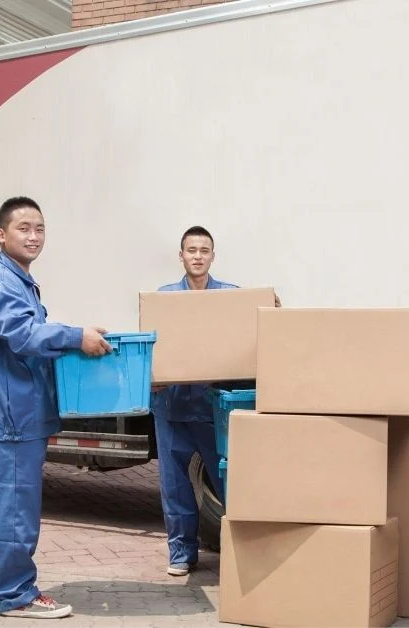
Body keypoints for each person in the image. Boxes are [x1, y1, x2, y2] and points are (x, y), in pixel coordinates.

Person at [0, 196, 111, 619]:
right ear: (1, 234)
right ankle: (16, 594)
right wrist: (75, 337)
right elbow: (23, 335)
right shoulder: (0, 284)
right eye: (23, 228)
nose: (33, 236)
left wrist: (73, 338)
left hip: (20, 411)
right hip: (13, 414)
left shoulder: (19, 280)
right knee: (14, 506)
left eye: (39, 228)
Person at [151, 226, 238, 577]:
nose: (198, 256)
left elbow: (252, 325)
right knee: (174, 485)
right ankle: (182, 553)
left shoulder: (230, 297)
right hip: (171, 407)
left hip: (212, 408)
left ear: (213, 256)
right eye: (192, 250)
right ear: (181, 256)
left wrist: (270, 308)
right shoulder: (165, 298)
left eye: (204, 250)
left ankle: (243, 550)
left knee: (230, 482)